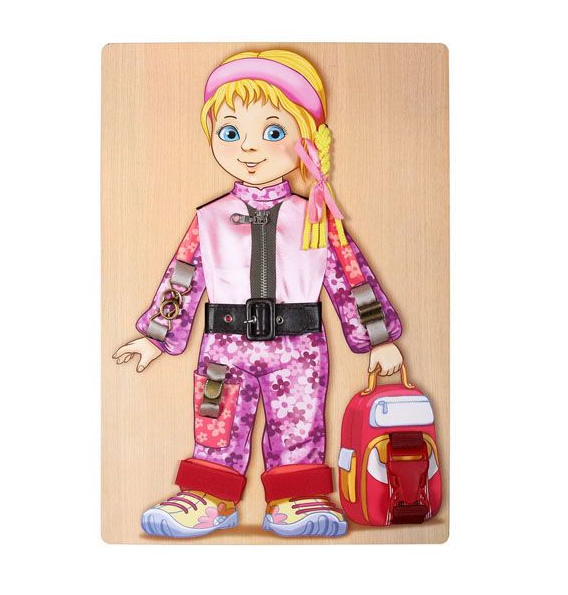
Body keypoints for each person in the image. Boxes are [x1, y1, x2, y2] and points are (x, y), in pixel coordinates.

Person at [113, 49, 404, 538]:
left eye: (272, 133)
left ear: (307, 141)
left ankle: (297, 497)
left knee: (301, 425)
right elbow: (183, 278)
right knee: (216, 423)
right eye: (230, 133)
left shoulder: (315, 217)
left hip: (299, 347)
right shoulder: (210, 219)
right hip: (224, 345)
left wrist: (378, 339)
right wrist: (156, 337)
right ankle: (211, 497)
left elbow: (351, 278)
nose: (249, 148)